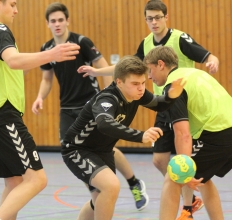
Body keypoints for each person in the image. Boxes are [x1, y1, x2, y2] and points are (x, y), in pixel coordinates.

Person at [77, 0, 220, 216]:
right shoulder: (146, 44)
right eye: (149, 18)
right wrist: (98, 72)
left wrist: (213, 61)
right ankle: (186, 196)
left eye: (158, 17)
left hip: (181, 105)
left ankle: (188, 208)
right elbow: (126, 67)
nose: (154, 22)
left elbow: (206, 55)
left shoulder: (179, 38)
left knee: (184, 156)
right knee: (159, 160)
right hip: (163, 107)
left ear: (166, 17)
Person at [31, 2, 149, 211]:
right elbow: (47, 79)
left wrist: (109, 100)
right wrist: (40, 97)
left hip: (91, 103)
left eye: (60, 20)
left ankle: (133, 183)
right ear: (47, 24)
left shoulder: (81, 42)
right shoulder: (47, 49)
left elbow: (105, 68)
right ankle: (97, 193)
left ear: (67, 21)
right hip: (67, 109)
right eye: (53, 21)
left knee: (106, 148)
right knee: (76, 151)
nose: (57, 24)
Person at [0, 0, 80, 220]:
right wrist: (52, 54)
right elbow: (12, 60)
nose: (16, 10)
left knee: (15, 183)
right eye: (12, 4)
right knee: (37, 179)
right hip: (2, 115)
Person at [62, 55, 185, 220]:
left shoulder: (136, 94)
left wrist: (171, 96)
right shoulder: (107, 99)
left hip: (102, 151)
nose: (141, 88)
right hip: (78, 149)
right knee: (111, 186)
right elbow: (104, 123)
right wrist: (140, 136)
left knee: (98, 199)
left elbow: (159, 104)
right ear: (119, 82)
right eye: (135, 84)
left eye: (143, 83)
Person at [144, 45, 232, 220]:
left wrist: (182, 172)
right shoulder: (195, 73)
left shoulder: (174, 86)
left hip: (219, 134)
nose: (149, 76)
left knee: (173, 178)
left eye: (150, 70)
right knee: (203, 180)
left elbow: (183, 134)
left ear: (161, 64)